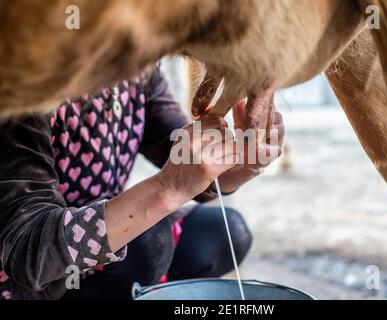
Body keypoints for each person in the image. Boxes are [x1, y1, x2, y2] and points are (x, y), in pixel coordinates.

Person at [0, 65, 285, 300]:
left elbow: (183, 158)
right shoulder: (25, 81)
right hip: (36, 283)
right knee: (150, 240)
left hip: (97, 260)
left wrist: (245, 162)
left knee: (223, 232)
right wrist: (167, 189)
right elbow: (28, 252)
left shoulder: (138, 73)